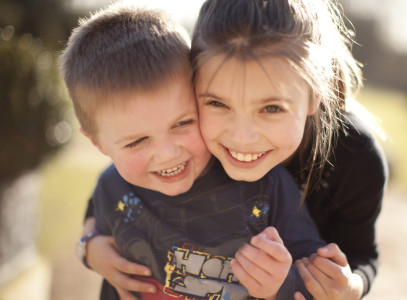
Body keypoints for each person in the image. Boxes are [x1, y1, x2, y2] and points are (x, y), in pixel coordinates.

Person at [82, 0, 388, 299]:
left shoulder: (354, 155)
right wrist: (89, 245)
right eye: (217, 103)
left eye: (271, 108)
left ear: (313, 95)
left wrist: (348, 288)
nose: (242, 138)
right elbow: (118, 184)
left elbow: (361, 254)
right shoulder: (185, 141)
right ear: (191, 85)